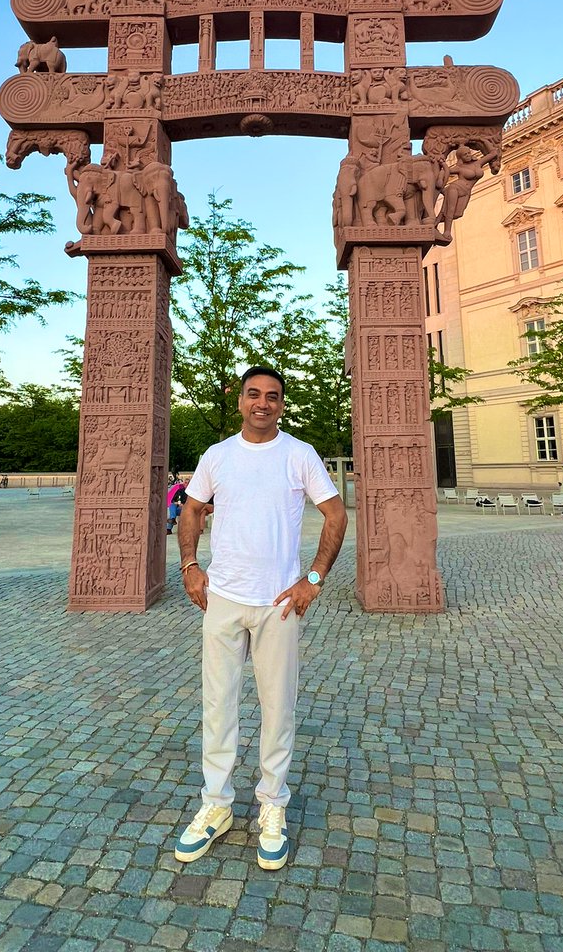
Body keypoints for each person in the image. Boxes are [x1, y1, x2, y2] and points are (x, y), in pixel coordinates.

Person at [174, 366, 348, 871]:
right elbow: (191, 510)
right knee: (217, 704)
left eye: (273, 396)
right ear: (240, 401)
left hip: (278, 603)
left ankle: (273, 806)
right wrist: (189, 566)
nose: (263, 403)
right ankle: (217, 804)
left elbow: (336, 515)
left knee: (278, 708)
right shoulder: (218, 455)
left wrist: (312, 580)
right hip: (223, 598)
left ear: (282, 405)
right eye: (254, 394)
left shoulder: (298, 454)